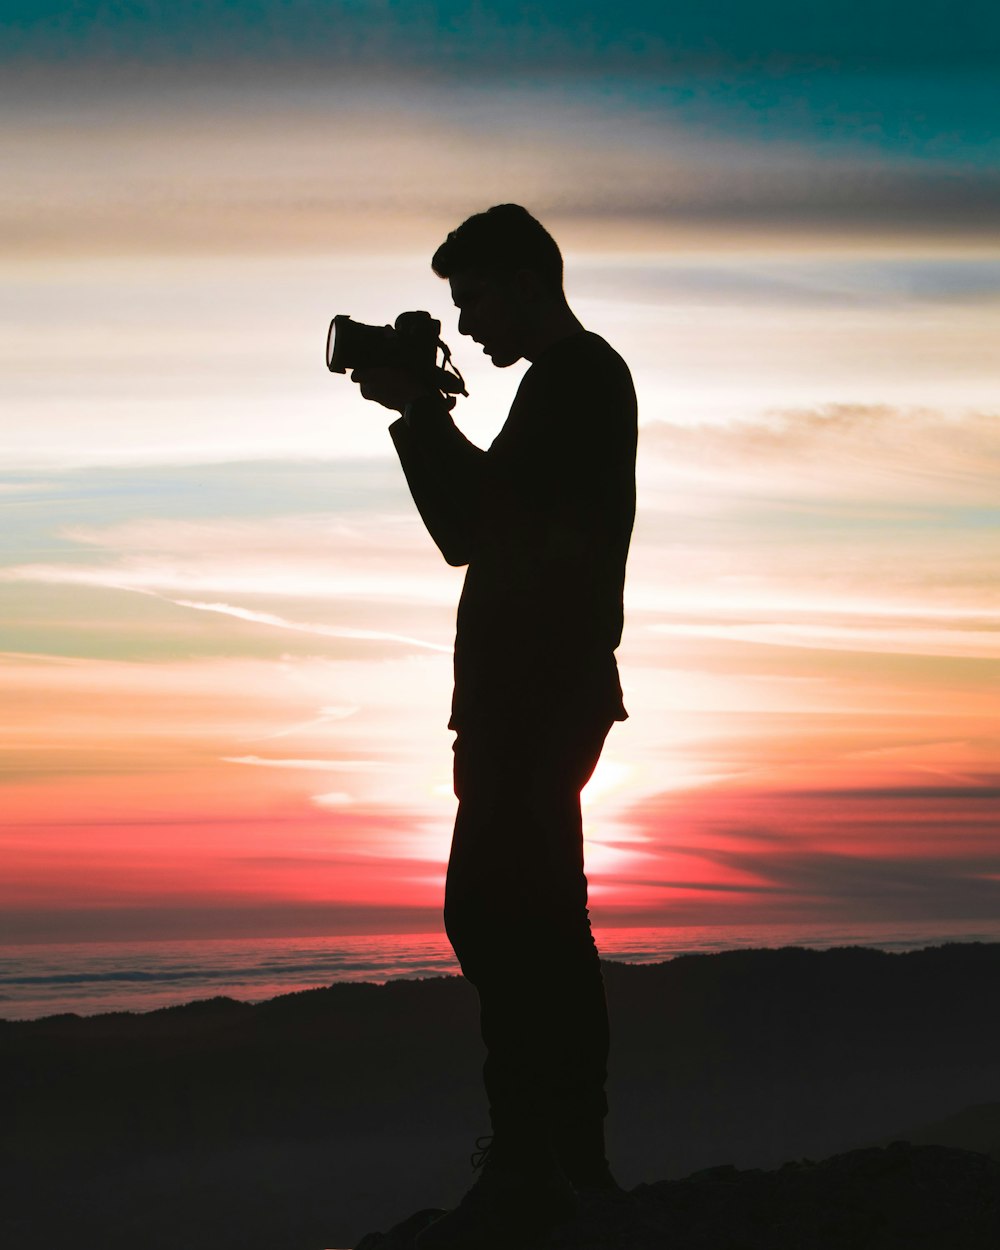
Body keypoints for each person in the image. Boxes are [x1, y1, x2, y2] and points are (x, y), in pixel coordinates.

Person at [350, 204, 637, 1249]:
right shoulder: (565, 386)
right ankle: (559, 1156)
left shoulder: (577, 379)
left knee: (505, 916)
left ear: (524, 279)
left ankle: (542, 1162)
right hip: (534, 693)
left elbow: (472, 526)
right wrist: (419, 414)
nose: (466, 324)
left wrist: (419, 414)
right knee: (533, 919)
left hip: (536, 693)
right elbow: (480, 526)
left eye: (473, 299)